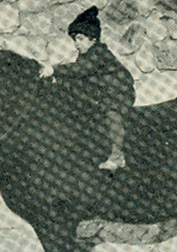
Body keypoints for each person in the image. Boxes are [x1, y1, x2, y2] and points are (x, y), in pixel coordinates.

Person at [40, 6, 135, 171]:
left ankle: (117, 155)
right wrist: (58, 82)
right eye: (75, 40)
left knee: (112, 114)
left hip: (118, 92)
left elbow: (80, 71)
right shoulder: (85, 55)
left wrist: (55, 70)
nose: (76, 45)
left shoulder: (99, 53)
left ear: (93, 39)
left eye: (80, 39)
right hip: (102, 92)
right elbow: (78, 78)